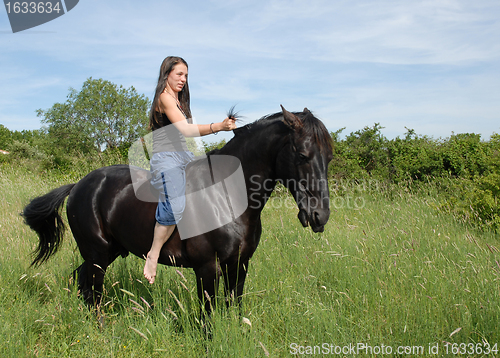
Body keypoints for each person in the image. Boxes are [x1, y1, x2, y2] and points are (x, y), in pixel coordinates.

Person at [144, 56, 237, 284]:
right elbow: (186, 130)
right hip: (166, 159)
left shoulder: (179, 102)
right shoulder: (164, 98)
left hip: (184, 157)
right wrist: (219, 127)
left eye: (186, 75)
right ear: (167, 74)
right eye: (179, 74)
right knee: (175, 204)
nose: (183, 79)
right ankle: (154, 253)